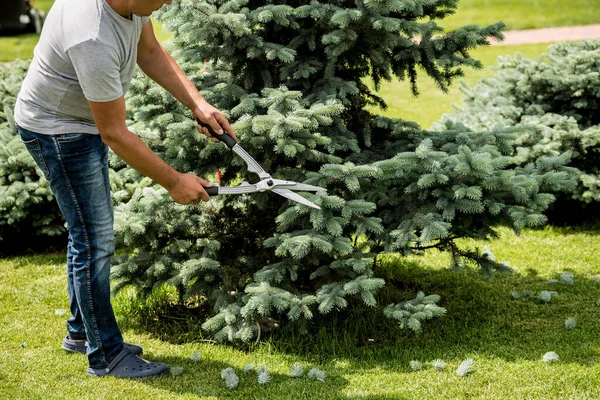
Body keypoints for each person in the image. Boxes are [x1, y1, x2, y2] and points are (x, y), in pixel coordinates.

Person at [14, 0, 236, 378]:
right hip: (59, 130)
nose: (166, 3)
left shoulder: (132, 5)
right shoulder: (91, 35)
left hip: (76, 122)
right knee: (94, 240)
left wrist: (197, 103)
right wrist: (174, 181)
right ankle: (106, 355)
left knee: (86, 232)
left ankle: (83, 333)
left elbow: (148, 50)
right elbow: (114, 132)